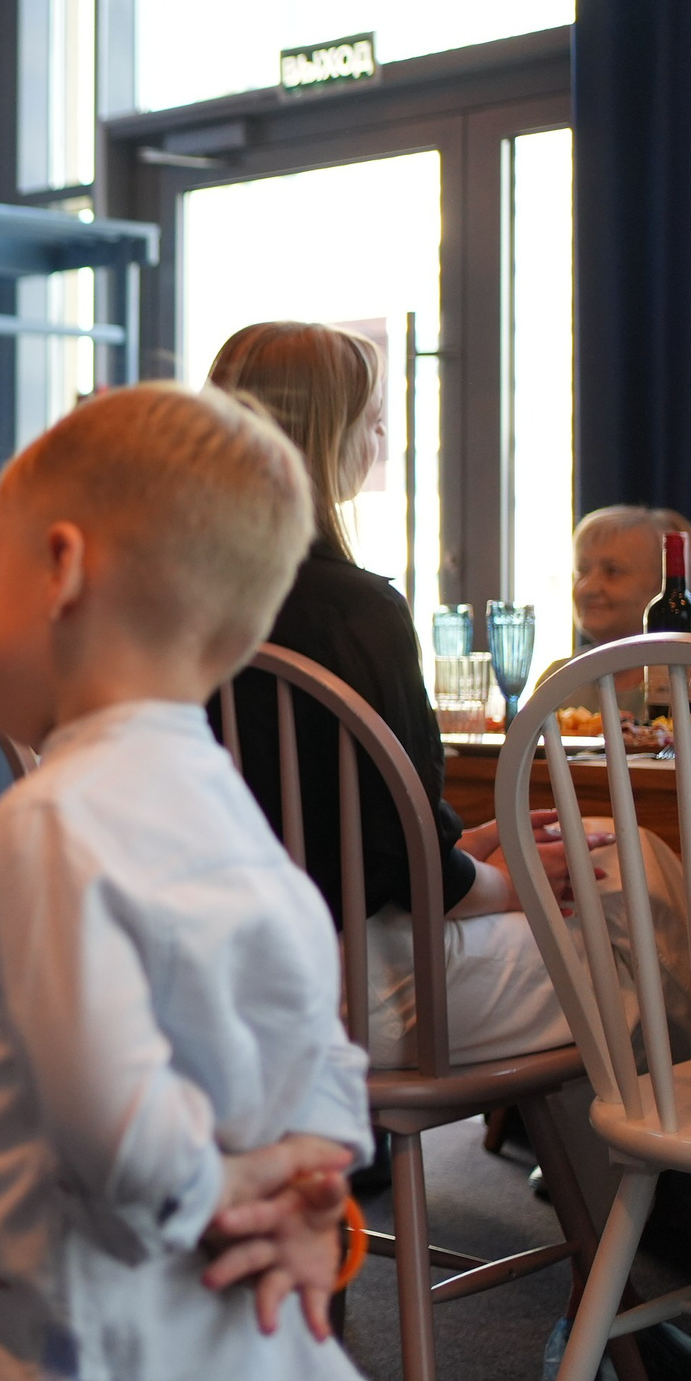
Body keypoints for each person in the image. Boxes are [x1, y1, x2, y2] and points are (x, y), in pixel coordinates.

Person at [0, 382, 368, 1381]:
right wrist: (309, 1182)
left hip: (70, 1378)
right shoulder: (246, 834)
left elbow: (118, 1131)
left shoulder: (48, 827)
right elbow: (327, 1061)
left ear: (61, 570)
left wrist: (225, 1181)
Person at [209, 321, 574, 1071]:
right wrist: (511, 882)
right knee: (626, 903)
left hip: (197, 973)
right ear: (324, 438)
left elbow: (330, 826)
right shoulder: (356, 611)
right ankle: (659, 1176)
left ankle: (595, 1183)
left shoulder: (165, 603)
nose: (381, 441)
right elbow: (408, 873)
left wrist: (460, 845)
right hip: (338, 990)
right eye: (373, 422)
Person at [570, 504, 691, 650]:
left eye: (612, 571)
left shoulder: (688, 669)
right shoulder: (562, 672)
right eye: (582, 570)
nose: (587, 588)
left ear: (663, 582)